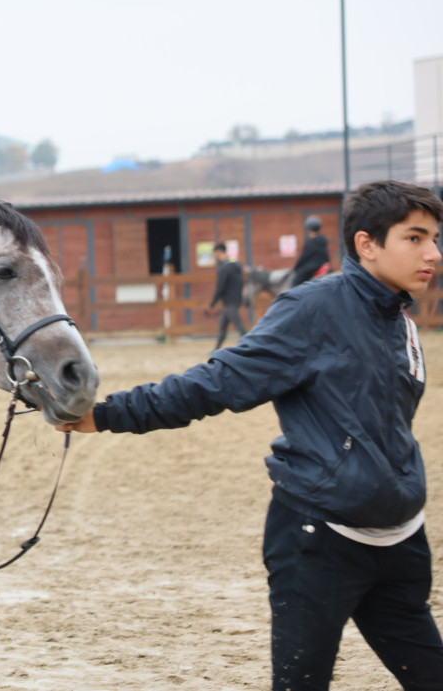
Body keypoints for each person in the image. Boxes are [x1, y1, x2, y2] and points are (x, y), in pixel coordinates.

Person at [59, 180, 443, 690]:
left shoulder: (401, 319)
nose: (433, 253)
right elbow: (216, 383)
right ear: (367, 245)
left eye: (435, 238)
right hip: (319, 543)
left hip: (401, 542)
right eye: (415, 238)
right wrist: (108, 414)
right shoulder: (311, 310)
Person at [207, 242, 247, 350]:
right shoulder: (235, 264)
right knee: (223, 327)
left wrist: (212, 303)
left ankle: (251, 347)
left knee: (240, 328)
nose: (215, 256)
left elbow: (220, 287)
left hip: (230, 301)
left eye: (215, 253)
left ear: (219, 252)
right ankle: (215, 350)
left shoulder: (224, 268)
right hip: (235, 299)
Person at [290, 215, 330, 286]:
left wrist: (296, 268)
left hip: (312, 267)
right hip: (322, 265)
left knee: (296, 282)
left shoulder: (310, 242)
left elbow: (304, 257)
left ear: (309, 229)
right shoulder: (322, 239)